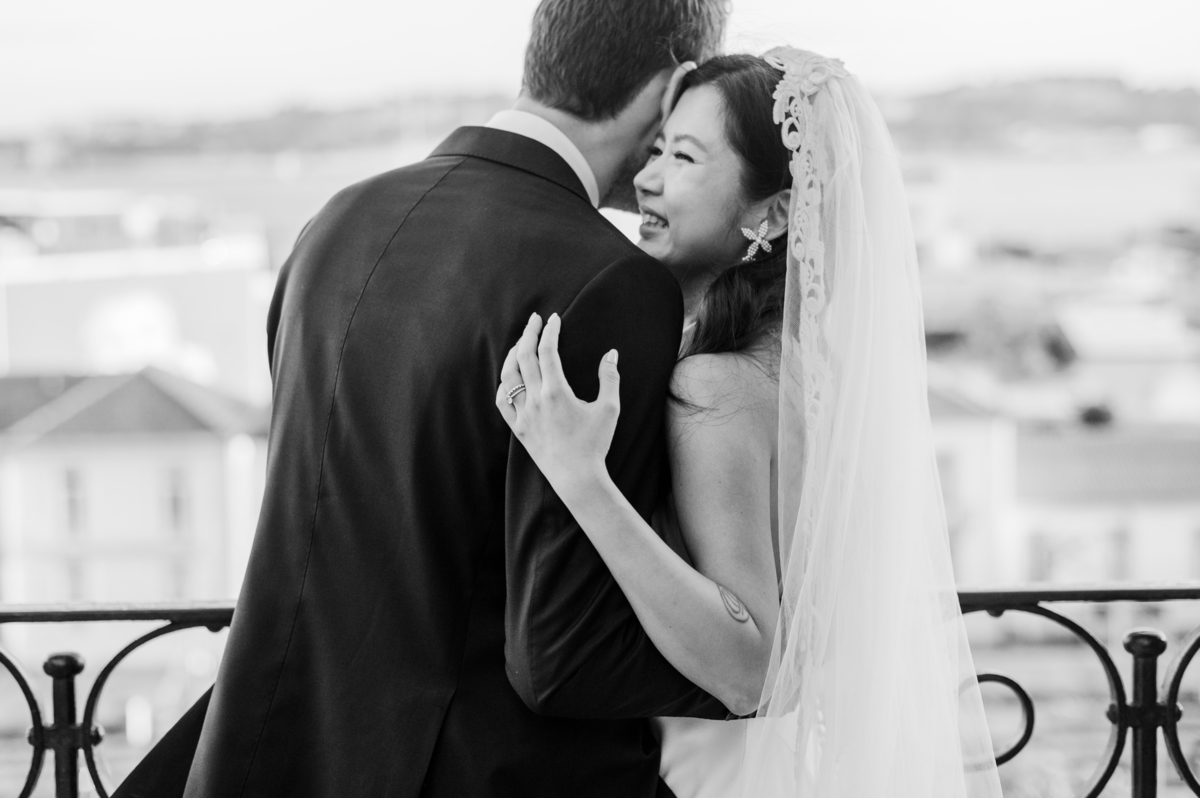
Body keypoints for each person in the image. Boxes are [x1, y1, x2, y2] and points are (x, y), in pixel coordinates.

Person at [112, 2, 731, 797]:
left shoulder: (334, 222)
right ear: (674, 85)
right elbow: (561, 655)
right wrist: (749, 669)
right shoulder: (612, 282)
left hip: (267, 751)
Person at [496, 50, 1005, 798]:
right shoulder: (805, 373)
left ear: (769, 213)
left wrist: (581, 478)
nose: (646, 178)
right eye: (657, 148)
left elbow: (750, 668)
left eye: (685, 156)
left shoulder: (716, 386)